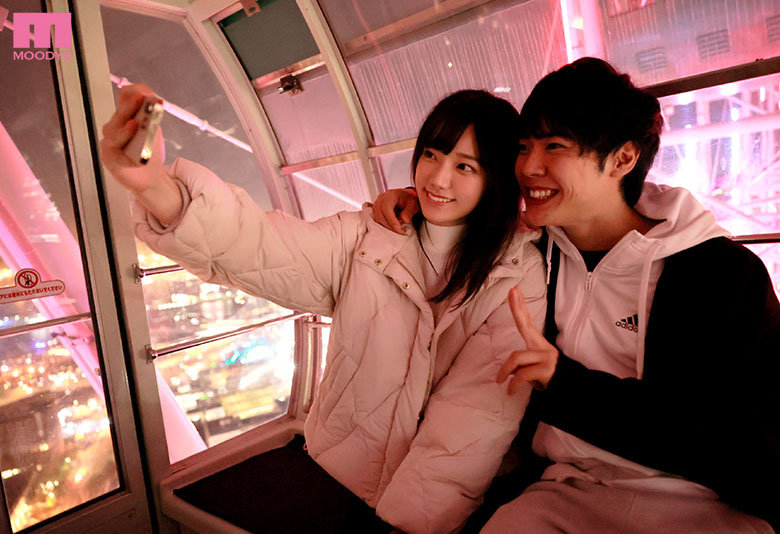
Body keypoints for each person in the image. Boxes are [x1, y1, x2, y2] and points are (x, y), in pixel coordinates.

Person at [373, 58, 780, 533]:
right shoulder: (533, 252)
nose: (528, 167)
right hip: (561, 492)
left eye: (554, 146)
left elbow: (744, 440)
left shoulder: (721, 273)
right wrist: (415, 202)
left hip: (701, 502)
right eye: (523, 147)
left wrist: (563, 383)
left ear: (622, 159)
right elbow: (463, 222)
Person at [100, 86, 548, 533]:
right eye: (431, 155)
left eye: (465, 166)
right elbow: (262, 246)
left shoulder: (513, 272)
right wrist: (154, 187)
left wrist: (409, 525)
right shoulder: (369, 237)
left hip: (432, 514)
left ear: (496, 179)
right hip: (338, 475)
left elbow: (472, 422)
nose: (438, 179)